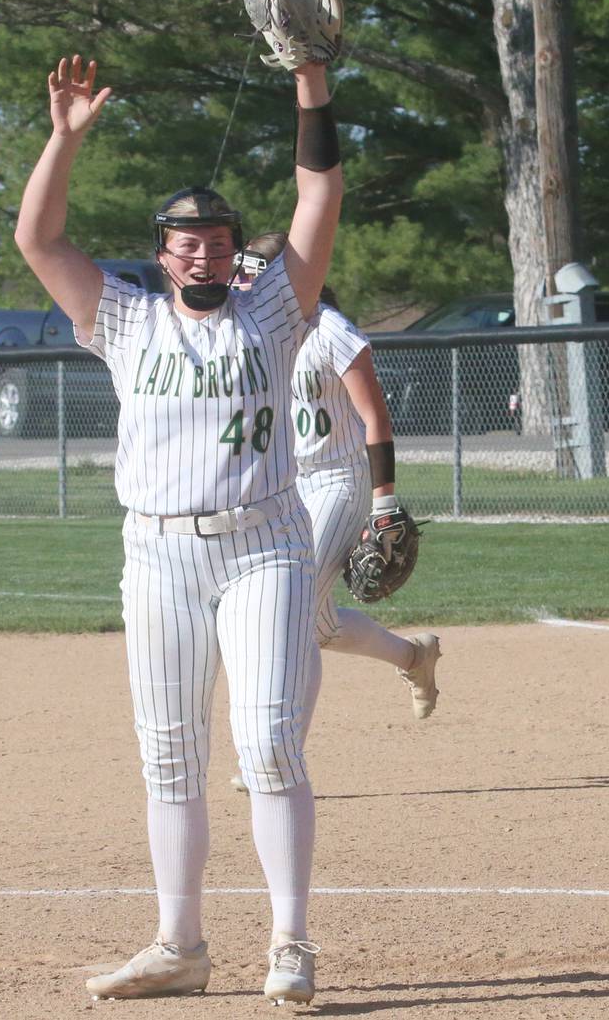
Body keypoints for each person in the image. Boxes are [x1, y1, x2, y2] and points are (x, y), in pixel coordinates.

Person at [13, 54, 342, 1005]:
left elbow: (319, 187)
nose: (199, 251)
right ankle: (180, 945)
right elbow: (38, 237)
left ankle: (290, 942)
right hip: (156, 552)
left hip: (264, 545)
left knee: (270, 741)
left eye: (216, 237)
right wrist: (65, 138)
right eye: (182, 239)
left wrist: (310, 81)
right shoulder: (124, 322)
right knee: (167, 752)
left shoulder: (277, 309)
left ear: (237, 250)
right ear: (161, 253)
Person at [227, 233, 440, 798]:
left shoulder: (331, 331)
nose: (241, 282)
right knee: (317, 625)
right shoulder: (255, 334)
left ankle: (274, 756)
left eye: (251, 273)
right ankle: (413, 656)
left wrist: (385, 499)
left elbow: (376, 419)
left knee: (289, 615)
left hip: (341, 484)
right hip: (285, 489)